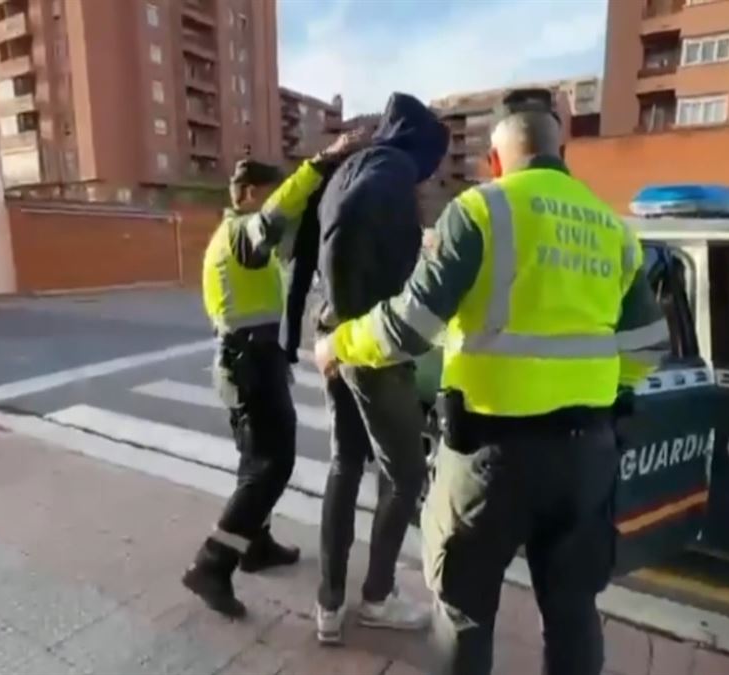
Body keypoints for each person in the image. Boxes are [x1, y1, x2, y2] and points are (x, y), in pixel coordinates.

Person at [313, 89, 670, 674]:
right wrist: (597, 393)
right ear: (563, 153)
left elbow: (409, 328)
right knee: (574, 611)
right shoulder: (612, 229)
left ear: (496, 161)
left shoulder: (481, 211)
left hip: (491, 461)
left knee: (464, 614)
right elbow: (647, 350)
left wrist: (338, 344)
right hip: (587, 458)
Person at [183, 132, 367, 619]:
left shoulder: (239, 240)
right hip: (249, 363)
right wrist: (319, 164)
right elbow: (274, 219)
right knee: (271, 465)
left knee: (255, 463)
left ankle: (255, 545)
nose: (274, 206)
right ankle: (212, 563)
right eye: (268, 193)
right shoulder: (242, 234)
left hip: (250, 360)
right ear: (246, 194)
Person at [312, 92, 449, 644]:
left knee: (346, 464)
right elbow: (398, 274)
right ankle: (375, 596)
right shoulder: (391, 176)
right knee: (406, 473)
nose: (428, 178)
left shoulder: (353, 167)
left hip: (332, 335)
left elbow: (329, 239)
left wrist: (332, 324)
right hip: (370, 346)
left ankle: (328, 603)